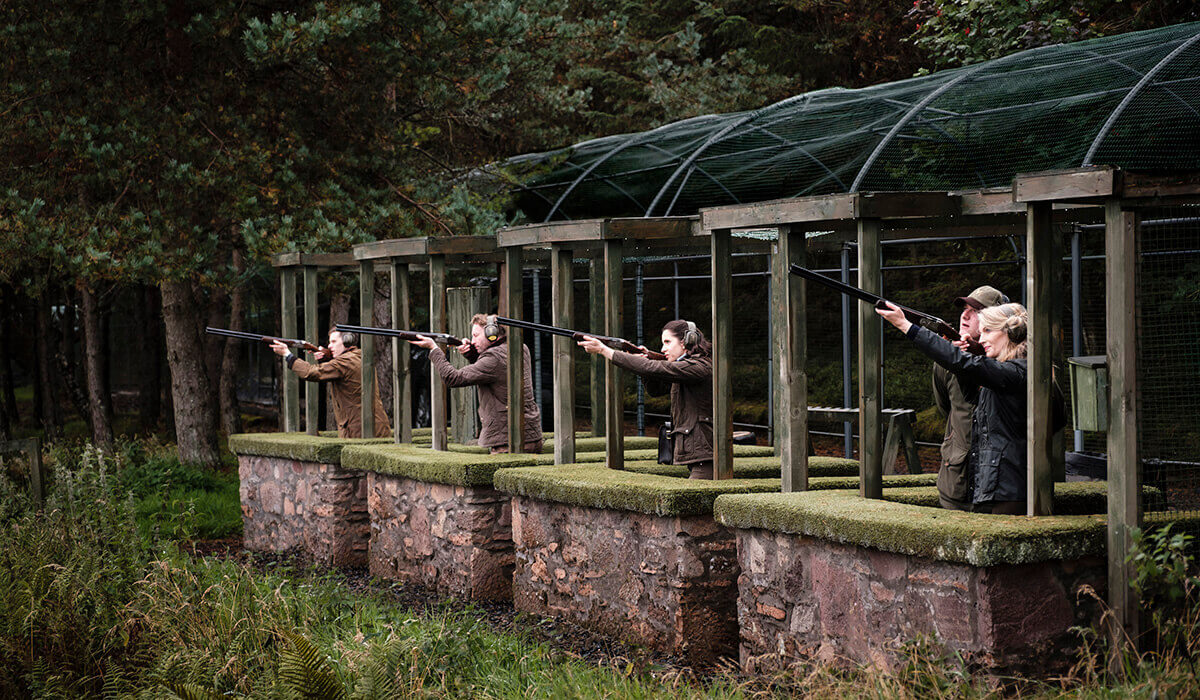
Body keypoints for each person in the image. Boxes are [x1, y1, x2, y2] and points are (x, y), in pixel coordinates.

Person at [878, 301, 1029, 514]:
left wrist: (906, 326)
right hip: (997, 488)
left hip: (1006, 492)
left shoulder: (1015, 372)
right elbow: (971, 395)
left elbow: (962, 363)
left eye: (987, 330)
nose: (982, 337)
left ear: (1011, 333)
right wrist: (972, 355)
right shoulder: (1008, 372)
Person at [578, 320, 714, 480]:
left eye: (668, 342)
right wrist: (643, 361)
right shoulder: (687, 368)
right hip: (698, 456)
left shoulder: (699, 367)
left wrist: (604, 350)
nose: (663, 349)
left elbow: (653, 368)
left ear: (687, 341)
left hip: (704, 457)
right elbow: (656, 390)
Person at [410, 314, 543, 454]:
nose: (472, 341)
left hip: (507, 442)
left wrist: (434, 349)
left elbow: (452, 378)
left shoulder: (493, 358)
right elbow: (494, 373)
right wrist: (472, 354)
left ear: (492, 334)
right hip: (531, 436)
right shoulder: (521, 348)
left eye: (476, 335)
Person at [932, 286, 1007, 510]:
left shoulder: (1013, 362)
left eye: (975, 311)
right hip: (956, 483)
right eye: (965, 308)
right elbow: (947, 408)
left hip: (1001, 487)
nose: (965, 315)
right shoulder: (946, 361)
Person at [271, 328, 392, 438]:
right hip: (375, 425)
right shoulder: (359, 357)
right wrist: (327, 359)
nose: (329, 346)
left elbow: (310, 372)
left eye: (334, 342)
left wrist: (288, 355)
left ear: (347, 341)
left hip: (360, 430)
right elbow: (343, 372)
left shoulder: (346, 362)